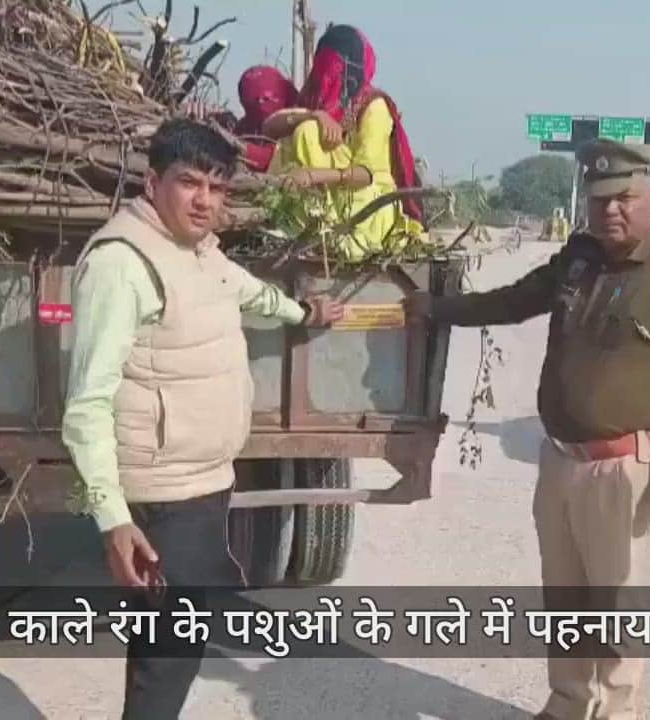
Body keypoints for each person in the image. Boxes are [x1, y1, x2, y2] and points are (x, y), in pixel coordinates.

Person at [404, 139, 650, 720]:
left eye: (625, 198)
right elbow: (514, 301)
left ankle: (617, 712)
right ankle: (570, 703)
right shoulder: (578, 260)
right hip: (558, 460)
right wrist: (441, 309)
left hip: (620, 465)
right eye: (600, 199)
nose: (610, 211)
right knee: (566, 597)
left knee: (617, 605)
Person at [61, 118, 344, 719]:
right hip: (161, 496)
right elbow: (85, 404)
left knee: (172, 650)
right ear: (152, 181)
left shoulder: (202, 255)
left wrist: (303, 312)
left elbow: (251, 296)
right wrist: (112, 519)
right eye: (190, 183)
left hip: (202, 483)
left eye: (217, 189)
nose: (205, 201)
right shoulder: (123, 263)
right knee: (166, 661)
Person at [263, 23, 426, 261]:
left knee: (307, 131)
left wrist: (311, 176)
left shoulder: (373, 105)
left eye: (336, 69)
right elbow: (270, 127)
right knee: (301, 131)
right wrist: (314, 114)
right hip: (328, 198)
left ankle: (327, 230)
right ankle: (306, 226)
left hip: (366, 203)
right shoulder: (317, 101)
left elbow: (366, 174)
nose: (328, 77)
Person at [233, 65, 300, 172]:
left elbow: (278, 157)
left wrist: (246, 150)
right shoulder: (245, 126)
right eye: (252, 100)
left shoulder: (296, 122)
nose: (260, 104)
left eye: (266, 99)